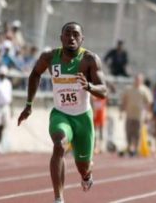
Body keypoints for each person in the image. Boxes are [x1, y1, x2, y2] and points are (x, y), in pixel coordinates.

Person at [17, 22, 107, 203]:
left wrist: (88, 86)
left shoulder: (89, 59)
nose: (71, 38)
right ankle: (59, 198)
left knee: (83, 166)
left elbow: (104, 91)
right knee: (59, 144)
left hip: (83, 118)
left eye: (76, 34)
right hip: (61, 114)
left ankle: (86, 175)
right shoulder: (49, 57)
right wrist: (28, 105)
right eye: (68, 34)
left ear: (82, 39)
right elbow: (35, 74)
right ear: (61, 38)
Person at [120, 73, 153, 157]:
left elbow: (149, 103)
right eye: (136, 79)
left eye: (139, 79)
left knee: (137, 134)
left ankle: (135, 149)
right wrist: (121, 112)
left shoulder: (144, 90)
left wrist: (148, 114)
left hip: (139, 116)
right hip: (129, 114)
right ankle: (130, 147)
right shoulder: (128, 89)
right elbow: (124, 100)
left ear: (141, 81)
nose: (137, 81)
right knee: (128, 132)